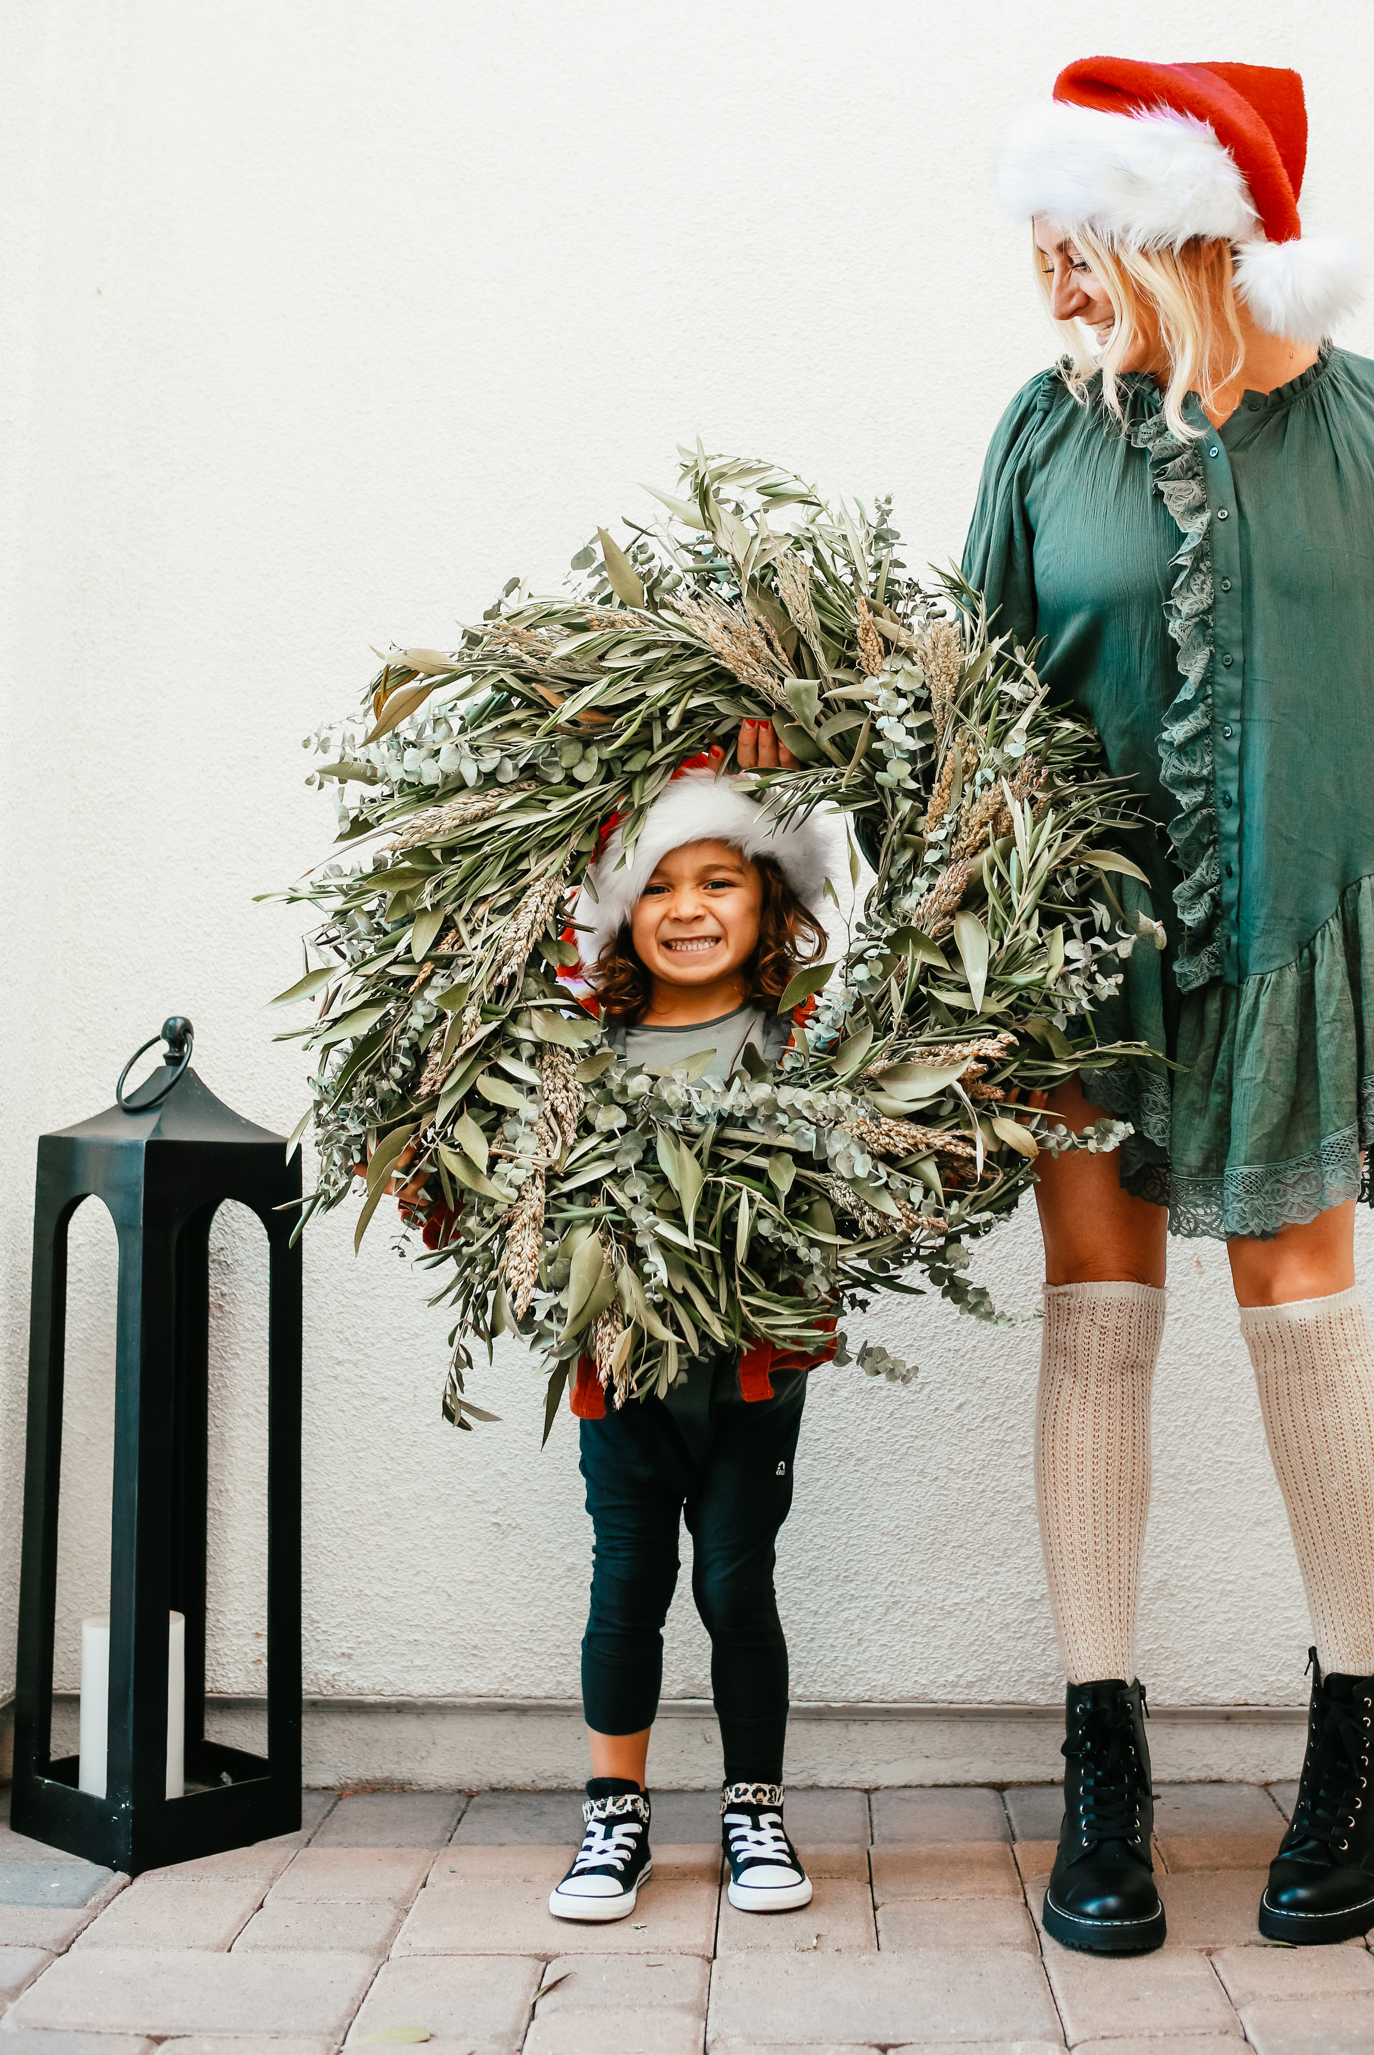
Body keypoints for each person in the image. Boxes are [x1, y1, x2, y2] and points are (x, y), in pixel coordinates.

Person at [965, 56, 1374, 1956]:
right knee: (1095, 1323)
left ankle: (1354, 1734)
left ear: (1190, 223)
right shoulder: (1035, 436)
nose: (1043, 270)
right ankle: (1104, 1760)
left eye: (1072, 232)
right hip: (1086, 978)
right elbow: (964, 745)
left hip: (1300, 955)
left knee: (1300, 1318)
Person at [547, 744, 832, 1925]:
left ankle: (752, 1803)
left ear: (769, 898)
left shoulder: (798, 1041)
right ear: (620, 913)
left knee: (735, 1583)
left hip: (752, 1377)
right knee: (627, 1587)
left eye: (717, 880)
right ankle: (613, 1815)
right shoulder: (580, 1050)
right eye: (657, 886)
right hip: (619, 1375)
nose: (686, 909)